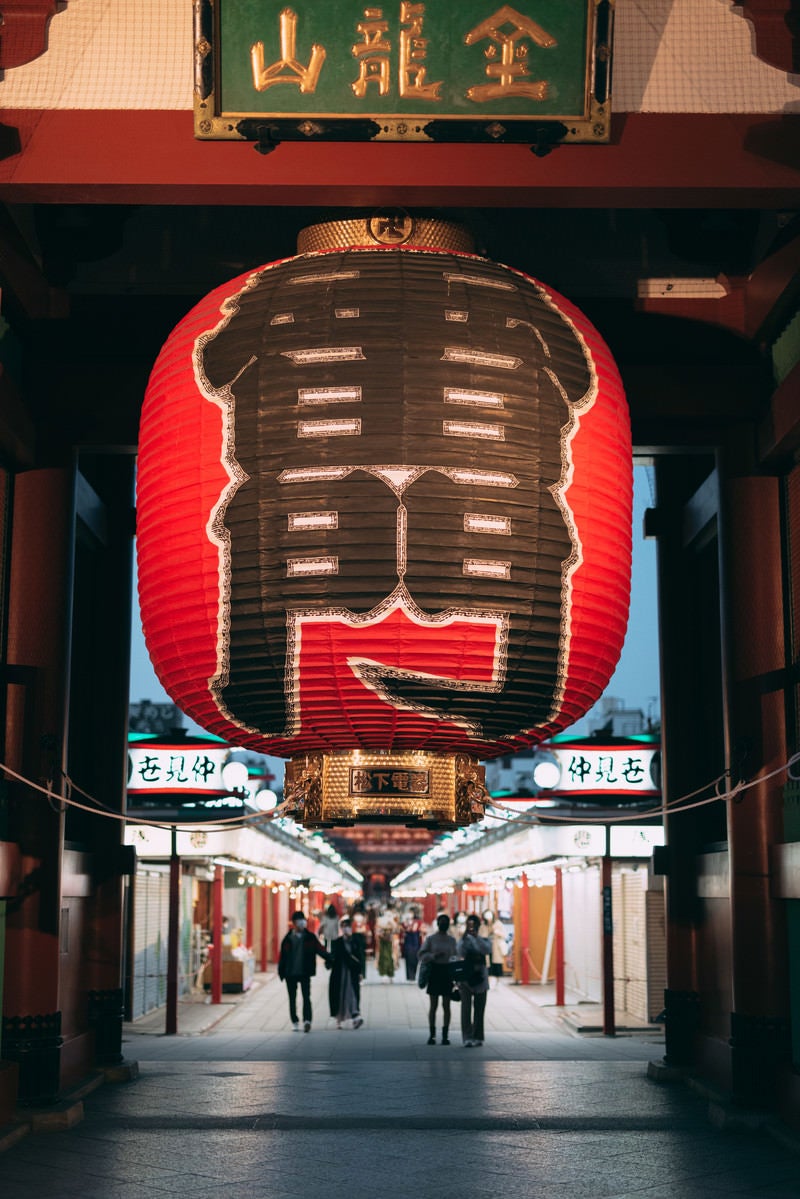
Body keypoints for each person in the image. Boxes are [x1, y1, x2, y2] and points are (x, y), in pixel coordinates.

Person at [278, 910, 330, 1032]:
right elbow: (283, 957)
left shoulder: (310, 937)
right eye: (299, 921)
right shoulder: (288, 939)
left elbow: (320, 949)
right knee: (292, 998)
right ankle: (294, 1021)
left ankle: (307, 1020)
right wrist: (281, 972)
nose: (302, 923)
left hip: (305, 972)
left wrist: (330, 958)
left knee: (306, 996)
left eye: (303, 921)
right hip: (290, 973)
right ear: (294, 923)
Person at [418, 913, 458, 1046]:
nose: (443, 924)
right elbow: (421, 954)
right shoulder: (431, 939)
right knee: (433, 1005)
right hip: (435, 971)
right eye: (441, 922)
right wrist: (434, 955)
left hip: (447, 972)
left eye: (445, 922)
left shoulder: (452, 940)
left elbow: (456, 957)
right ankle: (432, 1035)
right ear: (438, 923)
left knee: (446, 1005)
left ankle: (445, 1035)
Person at [456, 913, 491, 1047]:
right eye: (469, 924)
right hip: (466, 976)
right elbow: (460, 952)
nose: (471, 928)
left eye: (473, 925)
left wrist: (477, 938)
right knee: (465, 1008)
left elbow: (486, 950)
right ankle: (467, 1037)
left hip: (481, 976)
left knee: (479, 1008)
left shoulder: (484, 937)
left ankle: (478, 1036)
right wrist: (465, 937)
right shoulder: (463, 939)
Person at [328, 916, 366, 1028]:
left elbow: (360, 957)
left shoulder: (356, 940)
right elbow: (333, 957)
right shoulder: (337, 942)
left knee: (353, 994)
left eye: (348, 926)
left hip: (352, 973)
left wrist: (361, 972)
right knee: (340, 995)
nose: (346, 929)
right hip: (339, 973)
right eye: (344, 927)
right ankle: (339, 1018)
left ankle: (355, 1015)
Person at [401, 908, 424, 982]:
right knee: (408, 959)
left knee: (415, 959)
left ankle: (413, 975)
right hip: (408, 943)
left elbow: (421, 930)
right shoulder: (405, 922)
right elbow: (402, 930)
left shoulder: (418, 922)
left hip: (416, 942)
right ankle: (409, 976)